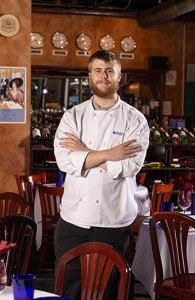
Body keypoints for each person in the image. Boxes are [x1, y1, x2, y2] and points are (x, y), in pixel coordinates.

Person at [53, 50, 149, 298]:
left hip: (114, 219)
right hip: (74, 217)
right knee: (68, 287)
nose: (103, 76)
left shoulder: (135, 120)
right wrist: (111, 154)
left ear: (120, 76)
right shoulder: (72, 116)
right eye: (98, 70)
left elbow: (129, 167)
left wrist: (84, 153)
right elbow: (65, 161)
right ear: (89, 76)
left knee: (109, 290)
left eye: (109, 71)